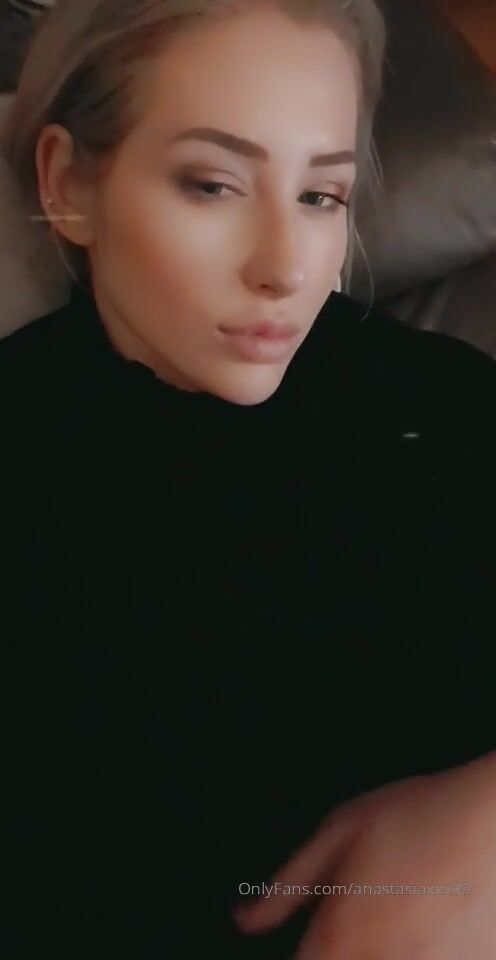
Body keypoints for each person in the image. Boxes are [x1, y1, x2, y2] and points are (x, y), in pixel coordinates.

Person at [1, 1, 495, 958]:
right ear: (69, 184)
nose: (285, 268)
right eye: (214, 185)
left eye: (321, 197)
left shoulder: (450, 404)